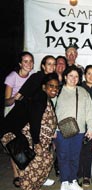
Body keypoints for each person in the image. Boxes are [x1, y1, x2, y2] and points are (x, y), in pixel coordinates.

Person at [1, 73, 60, 190]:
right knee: (33, 168)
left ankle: (33, 186)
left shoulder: (46, 99)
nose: (54, 89)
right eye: (51, 86)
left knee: (46, 161)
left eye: (56, 87)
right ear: (44, 86)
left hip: (34, 139)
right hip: (29, 139)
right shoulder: (40, 97)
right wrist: (36, 143)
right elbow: (35, 120)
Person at [55, 66, 92, 190]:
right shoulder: (58, 91)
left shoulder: (83, 92)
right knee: (63, 155)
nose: (73, 78)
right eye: (71, 76)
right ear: (65, 76)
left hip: (79, 130)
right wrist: (52, 129)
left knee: (75, 155)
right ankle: (64, 181)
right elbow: (50, 110)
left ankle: (72, 180)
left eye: (76, 76)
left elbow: (90, 111)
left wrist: (91, 128)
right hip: (61, 130)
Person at [3, 51, 34, 187]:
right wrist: (15, 98)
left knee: (26, 144)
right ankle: (16, 175)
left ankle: (27, 173)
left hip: (26, 114)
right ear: (20, 63)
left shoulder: (33, 77)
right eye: (25, 61)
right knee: (14, 145)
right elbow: (6, 102)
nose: (28, 64)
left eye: (30, 61)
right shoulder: (12, 77)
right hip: (12, 113)